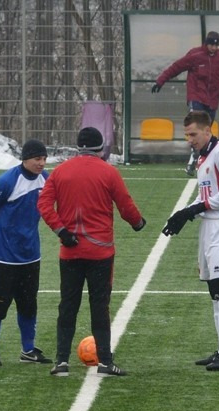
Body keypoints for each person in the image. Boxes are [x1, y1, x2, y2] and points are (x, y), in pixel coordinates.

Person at [37, 127, 146, 377]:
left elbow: (44, 204)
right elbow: (125, 203)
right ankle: (105, 362)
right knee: (100, 306)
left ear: (78, 146)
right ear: (100, 148)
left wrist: (61, 231)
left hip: (70, 252)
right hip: (100, 252)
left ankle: (61, 361)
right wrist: (137, 222)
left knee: (68, 305)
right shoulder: (108, 172)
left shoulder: (60, 171)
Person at [162, 110, 219, 372]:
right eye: (186, 135)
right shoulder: (203, 157)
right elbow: (205, 195)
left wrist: (196, 209)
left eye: (193, 134)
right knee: (213, 290)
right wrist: (184, 214)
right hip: (209, 225)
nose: (189, 139)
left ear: (208, 130)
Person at [0, 139, 52, 366]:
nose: (42, 163)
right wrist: (4, 236)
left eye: (44, 158)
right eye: (37, 159)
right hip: (3, 257)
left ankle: (28, 351)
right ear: (25, 159)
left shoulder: (46, 179)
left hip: (31, 256)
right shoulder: (6, 182)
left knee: (28, 304)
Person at [151, 31, 219, 176]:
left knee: (205, 130)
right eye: (211, 45)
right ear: (206, 43)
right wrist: (160, 81)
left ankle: (204, 159)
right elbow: (176, 67)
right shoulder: (195, 55)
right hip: (196, 96)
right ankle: (193, 157)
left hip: (213, 99)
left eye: (216, 45)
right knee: (195, 125)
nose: (214, 48)